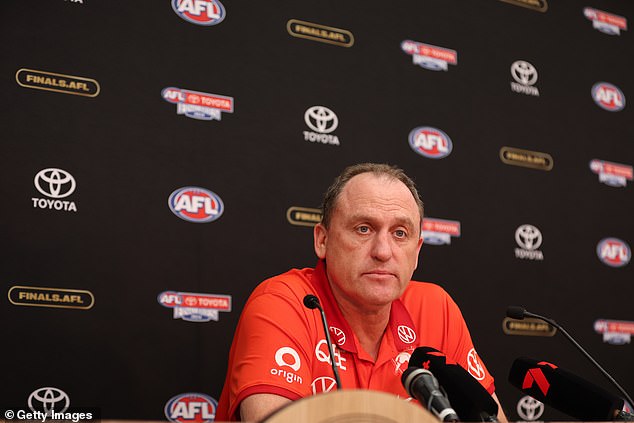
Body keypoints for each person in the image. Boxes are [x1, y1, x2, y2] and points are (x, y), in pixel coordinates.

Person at [216, 163, 508, 422]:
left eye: (400, 233)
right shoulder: (283, 303)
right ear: (323, 240)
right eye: (364, 229)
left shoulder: (436, 307)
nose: (383, 251)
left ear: (417, 252)